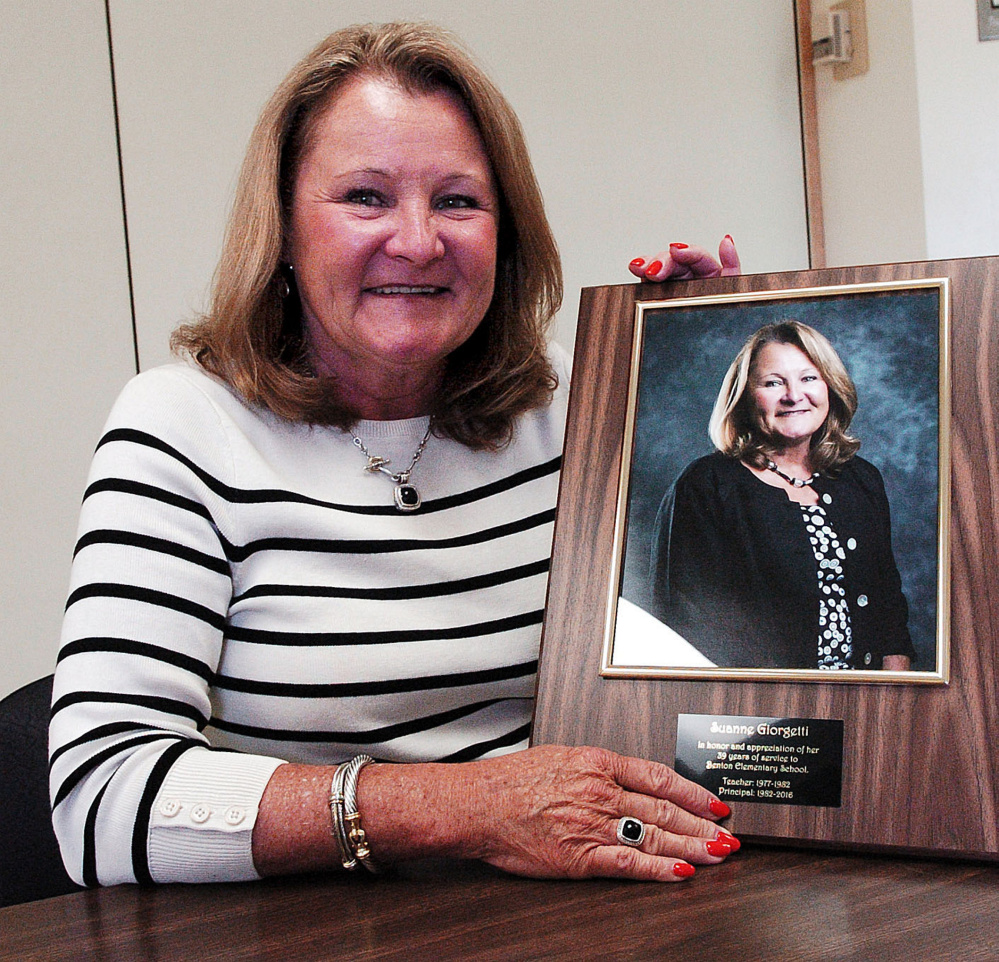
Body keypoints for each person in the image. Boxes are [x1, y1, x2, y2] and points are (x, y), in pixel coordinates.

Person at [50, 21, 741, 889]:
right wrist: (467, 808)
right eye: (365, 198)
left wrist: (700, 387)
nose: (417, 241)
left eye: (457, 201)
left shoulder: (572, 406)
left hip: (559, 914)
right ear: (285, 231)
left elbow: (696, 673)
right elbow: (100, 805)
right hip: (300, 932)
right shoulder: (183, 428)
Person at [649, 320, 915, 671]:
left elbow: (886, 597)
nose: (793, 395)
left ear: (830, 387)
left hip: (864, 698)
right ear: (745, 395)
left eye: (808, 378)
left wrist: (893, 689)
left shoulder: (861, 478)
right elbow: (686, 619)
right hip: (762, 710)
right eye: (773, 383)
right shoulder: (706, 485)